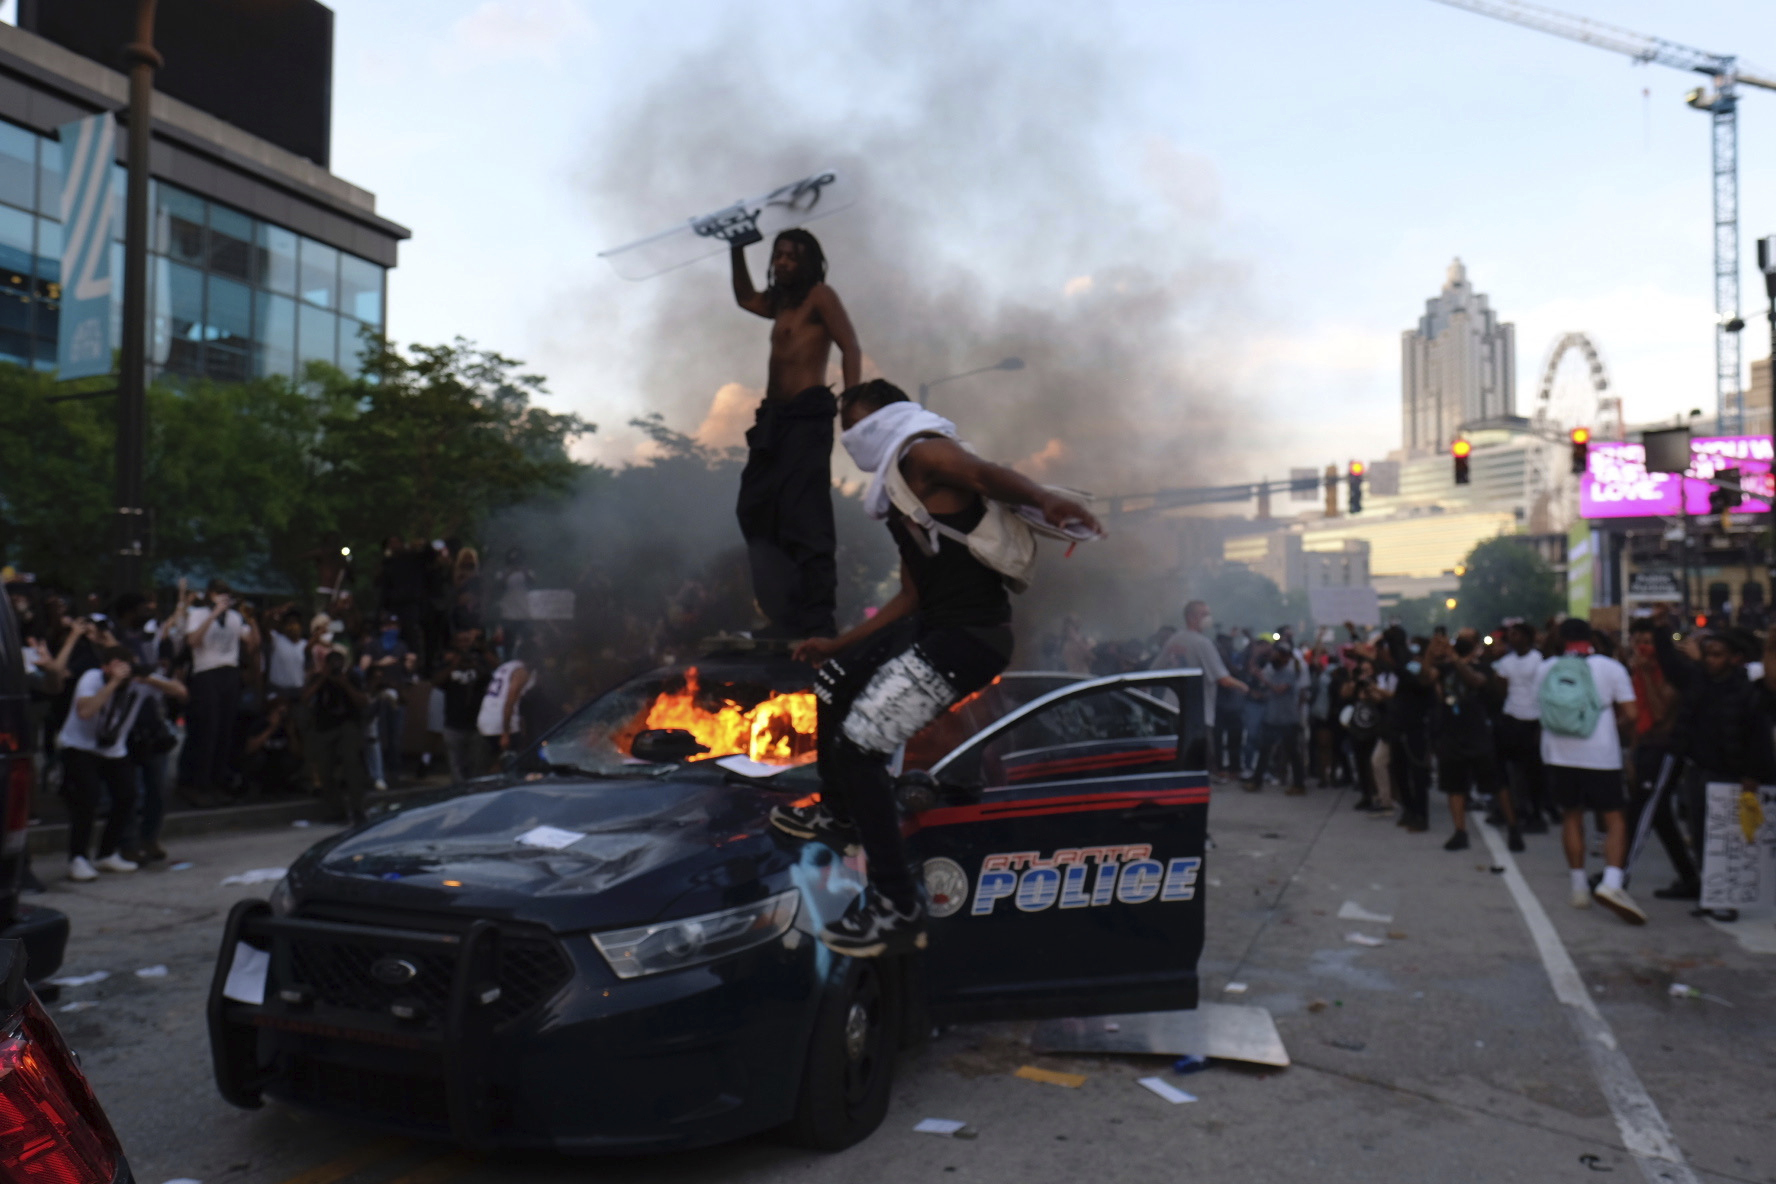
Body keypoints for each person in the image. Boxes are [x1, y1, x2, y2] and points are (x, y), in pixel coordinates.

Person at [772, 379, 1101, 956]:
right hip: (935, 625)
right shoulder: (901, 494)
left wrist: (1044, 498)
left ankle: (897, 904)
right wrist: (839, 644)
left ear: (884, 418)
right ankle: (840, 811)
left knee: (862, 746)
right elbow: (910, 597)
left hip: (969, 640)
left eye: (854, 425)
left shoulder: (919, 451)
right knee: (833, 682)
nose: (849, 440)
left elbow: (982, 473)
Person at [729, 228, 862, 639]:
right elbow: (745, 298)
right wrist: (736, 249)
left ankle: (816, 619)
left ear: (807, 262)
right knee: (755, 508)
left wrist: (852, 405)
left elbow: (850, 346)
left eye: (792, 256)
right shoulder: (780, 304)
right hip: (773, 420)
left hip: (807, 417)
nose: (783, 262)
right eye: (778, 255)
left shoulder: (819, 296)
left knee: (805, 516)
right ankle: (782, 615)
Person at [1535, 617, 1643, 923]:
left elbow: (1539, 708)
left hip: (1558, 753)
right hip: (1600, 755)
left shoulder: (1546, 668)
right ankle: (1611, 882)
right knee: (1614, 818)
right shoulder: (1611, 668)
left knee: (1572, 816)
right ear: (1590, 637)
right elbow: (1632, 713)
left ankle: (1578, 887)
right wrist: (1608, 724)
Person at [1669, 628, 1776, 921]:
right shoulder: (1700, 684)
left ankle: (1728, 899)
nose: (1710, 661)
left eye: (1717, 655)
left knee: (1728, 839)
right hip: (1700, 768)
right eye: (1707, 655)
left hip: (1731, 774)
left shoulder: (1746, 692)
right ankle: (1710, 891)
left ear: (1734, 658)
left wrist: (1753, 774)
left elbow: (1758, 736)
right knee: (1703, 834)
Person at [57, 646, 181, 880]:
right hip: (80, 746)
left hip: (114, 749)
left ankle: (106, 853)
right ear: (105, 666)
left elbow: (180, 692)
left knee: (127, 796)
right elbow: (85, 711)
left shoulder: (138, 683)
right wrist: (112, 684)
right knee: (87, 799)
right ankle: (78, 858)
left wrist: (147, 677)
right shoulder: (92, 678)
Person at [1423, 628, 1520, 852]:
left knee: (1496, 784)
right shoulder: (1444, 669)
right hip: (1452, 735)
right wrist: (1431, 652)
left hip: (1479, 735)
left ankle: (1513, 828)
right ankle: (1460, 831)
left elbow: (1475, 681)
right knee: (1454, 786)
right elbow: (1425, 677)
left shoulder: (1484, 667)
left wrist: (1455, 659)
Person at [1624, 617, 1698, 900]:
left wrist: (1644, 675)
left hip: (1664, 750)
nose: (1643, 648)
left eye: (1648, 642)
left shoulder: (1671, 674)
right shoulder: (1637, 670)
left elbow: (1658, 714)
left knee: (1640, 812)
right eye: (1639, 642)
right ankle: (1690, 876)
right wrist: (1632, 753)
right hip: (1646, 748)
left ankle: (1619, 875)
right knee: (1660, 817)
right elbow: (1638, 717)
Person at [171, 579, 258, 807]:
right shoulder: (199, 613)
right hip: (206, 672)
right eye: (220, 593)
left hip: (229, 672)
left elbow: (251, 644)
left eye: (227, 594)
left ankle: (216, 782)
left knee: (224, 730)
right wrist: (213, 614)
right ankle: (194, 783)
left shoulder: (234, 618)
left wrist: (252, 620)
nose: (224, 598)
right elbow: (193, 641)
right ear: (211, 595)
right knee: (205, 729)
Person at [1152, 601, 1247, 778]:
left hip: (1172, 708)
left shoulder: (1175, 639)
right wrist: (1244, 687)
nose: (1208, 618)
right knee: (1201, 762)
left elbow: (1154, 671)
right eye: (1204, 614)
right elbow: (1223, 678)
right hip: (1198, 714)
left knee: (1177, 757)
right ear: (1191, 617)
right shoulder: (1202, 643)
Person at [302, 650, 372, 825]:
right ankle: (336, 810)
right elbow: (305, 698)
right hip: (325, 725)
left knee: (351, 764)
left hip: (347, 723)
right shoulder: (318, 678)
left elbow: (363, 701)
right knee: (325, 769)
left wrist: (345, 684)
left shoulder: (352, 677)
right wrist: (322, 679)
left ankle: (358, 808)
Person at [1494, 621, 1550, 833]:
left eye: (1516, 634)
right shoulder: (1506, 662)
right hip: (1512, 717)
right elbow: (1501, 690)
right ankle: (1519, 810)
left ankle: (1537, 812)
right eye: (1510, 635)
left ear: (1527, 637)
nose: (1512, 638)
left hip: (1534, 719)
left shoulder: (1539, 660)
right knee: (1515, 770)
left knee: (1534, 771)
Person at [1245, 641, 1308, 794]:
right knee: (1264, 751)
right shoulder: (1272, 671)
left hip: (1287, 720)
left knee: (1293, 753)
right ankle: (1256, 781)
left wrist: (1262, 678)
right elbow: (1272, 692)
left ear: (1286, 657)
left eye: (1279, 654)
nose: (1275, 656)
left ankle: (1299, 785)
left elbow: (1280, 690)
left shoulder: (1289, 673)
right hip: (1272, 718)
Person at [435, 632, 493, 781]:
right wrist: (454, 664)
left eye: (467, 641)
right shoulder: (448, 660)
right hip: (453, 723)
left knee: (476, 767)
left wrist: (477, 664)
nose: (464, 645)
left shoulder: (479, 659)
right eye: (460, 641)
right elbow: (436, 681)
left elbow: (491, 676)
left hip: (476, 723)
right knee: (456, 768)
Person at [477, 652, 531, 763]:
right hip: (502, 723)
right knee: (506, 764)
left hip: (486, 718)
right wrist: (505, 733)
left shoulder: (506, 666)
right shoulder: (520, 671)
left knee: (494, 761)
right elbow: (509, 702)